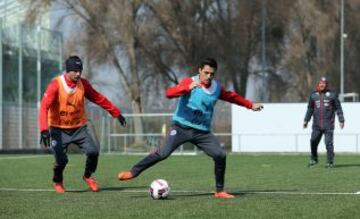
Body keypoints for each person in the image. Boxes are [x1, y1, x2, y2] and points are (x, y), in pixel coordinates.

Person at [117, 58, 263, 199]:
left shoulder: (216, 88)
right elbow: (169, 93)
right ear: (200, 70)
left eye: (212, 74)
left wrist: (250, 105)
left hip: (202, 132)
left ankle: (219, 191)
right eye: (206, 72)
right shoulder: (189, 82)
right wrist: (187, 87)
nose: (208, 76)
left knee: (220, 155)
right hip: (181, 128)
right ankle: (133, 172)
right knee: (163, 153)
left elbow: (232, 97)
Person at [39, 55, 127, 193]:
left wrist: (116, 113)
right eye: (75, 71)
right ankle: (58, 181)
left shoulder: (83, 84)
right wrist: (44, 129)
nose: (78, 73)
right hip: (58, 130)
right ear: (67, 71)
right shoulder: (55, 85)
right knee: (61, 160)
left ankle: (88, 176)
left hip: (79, 129)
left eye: (80, 70)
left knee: (93, 151)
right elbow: (44, 106)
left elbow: (99, 98)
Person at [303, 77, 344, 168]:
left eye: (324, 83)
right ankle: (314, 159)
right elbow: (310, 109)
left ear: (326, 85)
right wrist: (306, 120)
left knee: (328, 143)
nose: (322, 85)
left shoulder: (332, 95)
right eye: (321, 83)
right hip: (316, 125)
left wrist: (341, 120)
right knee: (313, 141)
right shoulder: (313, 95)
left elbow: (338, 108)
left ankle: (330, 161)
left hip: (328, 125)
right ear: (318, 84)